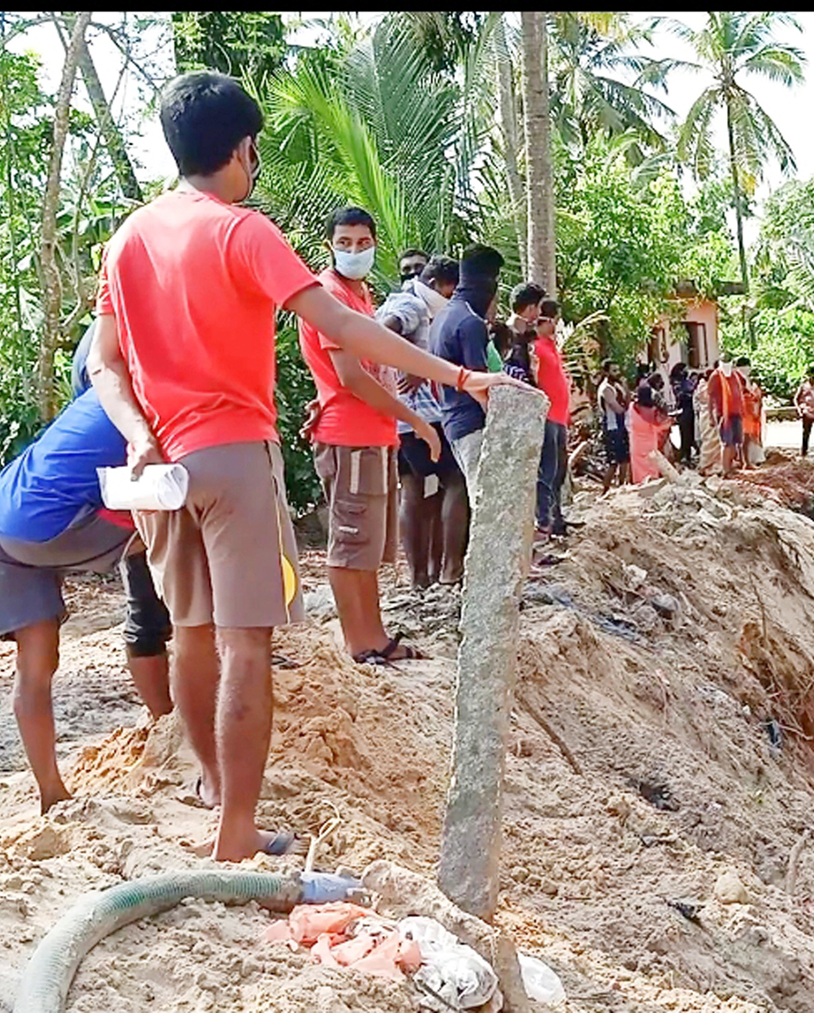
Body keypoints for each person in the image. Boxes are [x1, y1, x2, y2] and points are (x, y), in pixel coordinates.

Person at [87, 70, 525, 861]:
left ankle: (214, 785)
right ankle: (236, 830)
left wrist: (138, 433)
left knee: (190, 633)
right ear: (242, 150)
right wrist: (459, 377)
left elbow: (105, 369)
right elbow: (345, 332)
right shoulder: (242, 231)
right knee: (245, 641)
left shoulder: (126, 240)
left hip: (157, 463)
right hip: (231, 453)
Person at [0, 330, 174, 814]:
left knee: (35, 669)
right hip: (51, 524)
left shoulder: (91, 393)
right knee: (175, 522)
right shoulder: (150, 403)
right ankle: (184, 728)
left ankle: (52, 793)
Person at [298, 206, 436, 664]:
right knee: (352, 543)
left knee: (369, 548)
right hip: (351, 435)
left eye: (362, 242)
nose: (354, 251)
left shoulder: (360, 296)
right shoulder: (329, 296)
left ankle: (373, 634)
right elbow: (351, 377)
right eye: (345, 242)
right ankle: (359, 643)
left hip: (372, 435)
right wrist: (413, 419)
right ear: (329, 246)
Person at [378, 255, 464, 588]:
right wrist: (413, 364)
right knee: (454, 483)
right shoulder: (411, 304)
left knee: (419, 493)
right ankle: (445, 571)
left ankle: (423, 577)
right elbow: (383, 334)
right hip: (422, 416)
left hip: (404, 416)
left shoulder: (403, 302)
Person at [430, 245, 507, 485]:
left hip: (452, 421)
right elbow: (478, 383)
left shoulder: (443, 316)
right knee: (487, 505)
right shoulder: (470, 323)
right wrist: (499, 428)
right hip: (474, 425)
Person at [531, 301, 574, 538]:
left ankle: (557, 518)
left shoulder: (552, 347)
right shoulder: (535, 348)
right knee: (547, 471)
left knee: (559, 471)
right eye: (553, 319)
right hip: (546, 416)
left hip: (560, 417)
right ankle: (544, 520)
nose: (556, 324)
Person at [627, 385, 674, 484]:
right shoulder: (651, 410)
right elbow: (659, 425)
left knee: (638, 468)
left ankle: (639, 484)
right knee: (651, 467)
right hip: (649, 443)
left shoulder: (632, 406)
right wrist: (669, 421)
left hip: (636, 443)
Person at [706, 358, 745, 475]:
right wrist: (710, 416)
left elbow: (741, 389)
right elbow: (710, 398)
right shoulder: (716, 376)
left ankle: (732, 466)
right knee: (727, 442)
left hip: (736, 413)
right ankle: (725, 470)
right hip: (723, 414)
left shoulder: (735, 375)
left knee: (737, 442)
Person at [597, 360, 631, 489]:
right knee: (613, 462)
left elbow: (626, 401)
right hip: (612, 427)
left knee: (624, 459)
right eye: (614, 371)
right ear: (606, 372)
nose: (617, 373)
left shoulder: (617, 385)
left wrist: (626, 388)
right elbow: (618, 408)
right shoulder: (606, 388)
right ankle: (605, 488)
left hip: (621, 426)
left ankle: (621, 487)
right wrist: (626, 406)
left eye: (618, 370)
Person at [737, 356, 764, 468]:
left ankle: (746, 460)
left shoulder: (746, 379)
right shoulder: (738, 379)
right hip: (744, 412)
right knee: (744, 438)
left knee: (748, 437)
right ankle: (745, 461)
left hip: (750, 412)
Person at [670, 362, 698, 464]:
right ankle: (685, 456)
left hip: (691, 408)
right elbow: (681, 395)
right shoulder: (676, 382)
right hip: (684, 409)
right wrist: (691, 392)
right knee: (685, 433)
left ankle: (689, 455)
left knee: (691, 433)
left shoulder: (686, 381)